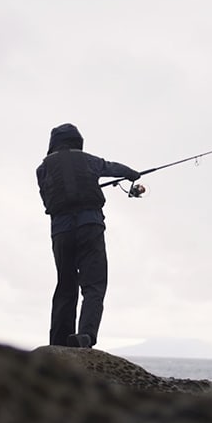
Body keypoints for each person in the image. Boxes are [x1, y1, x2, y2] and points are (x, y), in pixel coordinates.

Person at [36, 123, 141, 348]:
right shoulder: (89, 161)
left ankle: (58, 342)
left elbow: (47, 199)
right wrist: (132, 174)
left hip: (61, 232)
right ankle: (85, 335)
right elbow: (113, 168)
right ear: (78, 141)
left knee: (65, 285)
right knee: (94, 285)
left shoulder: (42, 169)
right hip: (90, 226)